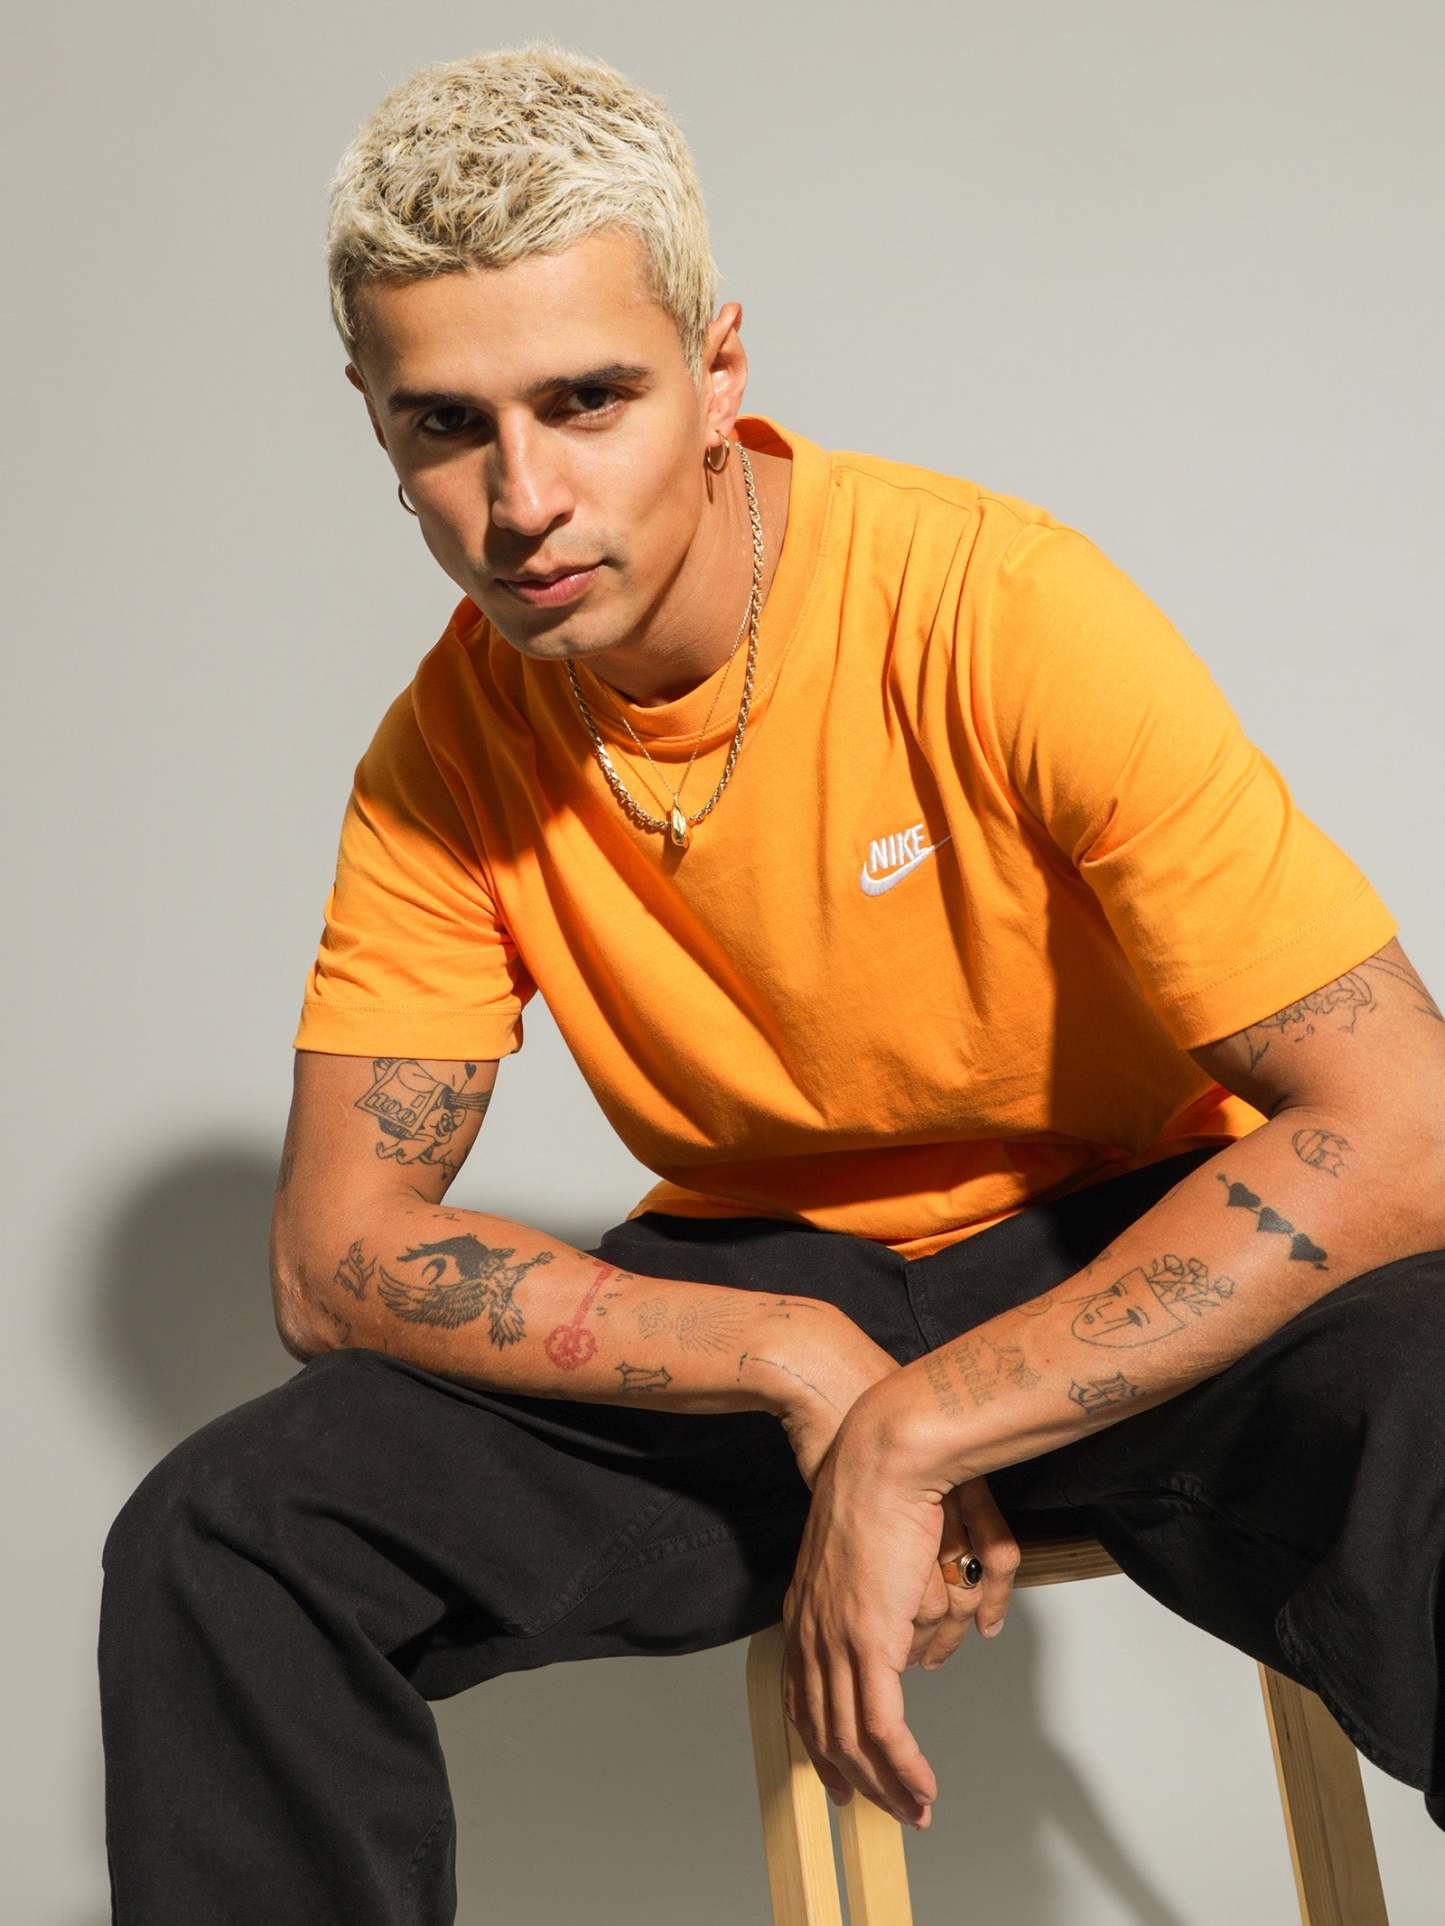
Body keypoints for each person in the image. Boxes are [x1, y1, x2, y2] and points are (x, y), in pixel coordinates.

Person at [98, 38, 1445, 1922]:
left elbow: (1404, 1124)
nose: (521, 498)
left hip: (1131, 1235)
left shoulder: (991, 606)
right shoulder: (441, 757)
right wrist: (800, 1361)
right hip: (769, 1285)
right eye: (445, 425)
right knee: (227, 1540)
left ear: (717, 367)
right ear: (373, 422)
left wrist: (919, 1422)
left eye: (587, 400)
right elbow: (336, 1255)